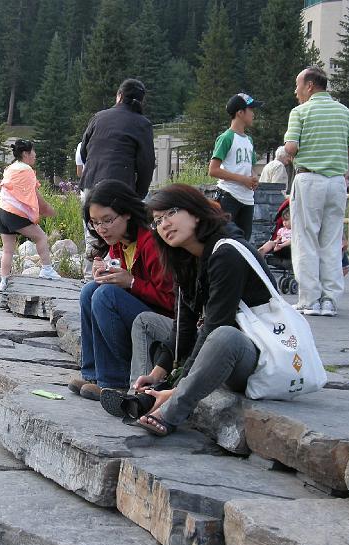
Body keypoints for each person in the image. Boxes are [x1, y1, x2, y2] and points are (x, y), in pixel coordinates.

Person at [121, 184, 276, 436]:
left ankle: (171, 410)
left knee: (224, 335)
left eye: (171, 213)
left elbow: (215, 325)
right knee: (145, 321)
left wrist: (179, 385)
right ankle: (143, 397)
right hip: (213, 346)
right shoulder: (186, 259)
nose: (164, 224)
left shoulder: (228, 253)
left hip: (254, 356)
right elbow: (183, 325)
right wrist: (158, 371)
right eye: (158, 221)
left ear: (195, 211)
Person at [67, 179, 174, 401]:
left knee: (105, 295)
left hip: (163, 328)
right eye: (95, 223)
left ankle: (114, 382)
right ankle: (94, 374)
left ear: (127, 213)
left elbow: (172, 303)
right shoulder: (120, 242)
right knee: (91, 291)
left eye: (108, 220)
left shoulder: (151, 243)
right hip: (141, 313)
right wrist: (106, 273)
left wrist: (132, 283)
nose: (101, 229)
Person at [284, 66, 349, 317]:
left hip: (309, 179)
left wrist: (297, 150)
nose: (296, 91)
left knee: (305, 239)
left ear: (309, 86)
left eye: (298, 86)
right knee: (330, 240)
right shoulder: (343, 111)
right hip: (336, 182)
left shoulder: (300, 112)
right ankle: (330, 300)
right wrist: (335, 154)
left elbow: (291, 147)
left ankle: (309, 299)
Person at [79, 79, 156, 278]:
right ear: (141, 101)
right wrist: (137, 196)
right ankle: (116, 278)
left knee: (95, 235)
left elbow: (85, 150)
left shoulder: (99, 117)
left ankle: (90, 279)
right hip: (120, 190)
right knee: (119, 235)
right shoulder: (142, 123)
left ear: (119, 96)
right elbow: (146, 164)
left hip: (91, 184)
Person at [0, 139, 61, 292]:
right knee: (41, 237)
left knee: (7, 251)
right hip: (14, 213)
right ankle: (46, 269)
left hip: (1, 212)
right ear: (26, 153)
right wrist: (48, 210)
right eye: (33, 151)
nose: (35, 155)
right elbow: (33, 196)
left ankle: (3, 282)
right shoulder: (25, 170)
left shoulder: (10, 168)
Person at [208, 93, 263, 242]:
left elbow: (250, 167)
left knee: (244, 242)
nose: (253, 114)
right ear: (240, 112)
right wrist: (242, 179)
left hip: (247, 199)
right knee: (225, 240)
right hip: (229, 197)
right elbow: (213, 170)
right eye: (250, 109)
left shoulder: (249, 140)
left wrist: (253, 177)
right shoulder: (226, 137)